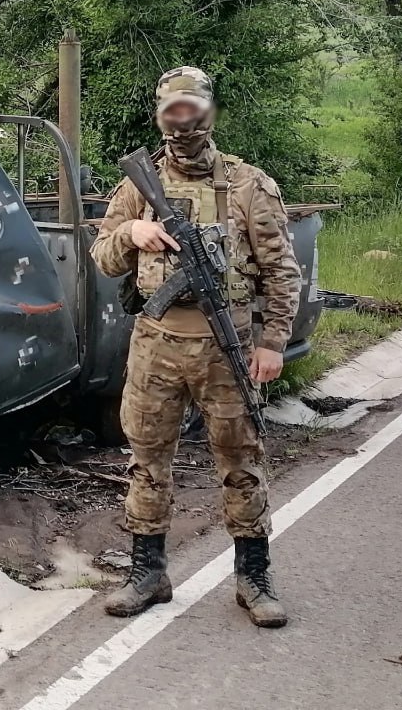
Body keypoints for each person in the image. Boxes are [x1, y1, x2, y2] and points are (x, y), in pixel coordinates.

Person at [91, 66, 301, 628]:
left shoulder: (249, 184)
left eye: (192, 109)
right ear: (160, 115)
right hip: (156, 344)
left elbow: (282, 271)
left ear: (209, 111)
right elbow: (103, 258)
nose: (182, 121)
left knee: (240, 460)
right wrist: (130, 234)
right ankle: (148, 572)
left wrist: (272, 342)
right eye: (172, 111)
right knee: (146, 461)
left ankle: (253, 577)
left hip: (225, 346)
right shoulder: (139, 186)